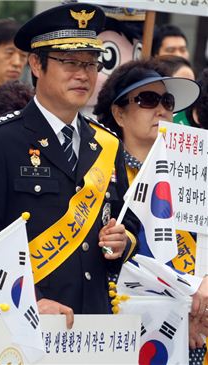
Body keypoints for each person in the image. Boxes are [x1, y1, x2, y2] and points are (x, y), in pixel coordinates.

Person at [0, 3, 140, 327]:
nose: (83, 74)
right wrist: (24, 301)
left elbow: (128, 222)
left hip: (93, 323)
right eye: (70, 62)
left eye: (91, 64)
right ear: (36, 63)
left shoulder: (106, 143)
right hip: (25, 323)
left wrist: (122, 241)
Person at [93, 59, 206, 364]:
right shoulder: (99, 172)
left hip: (193, 324)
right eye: (147, 100)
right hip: (123, 322)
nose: (161, 110)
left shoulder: (194, 171)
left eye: (166, 101)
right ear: (118, 113)